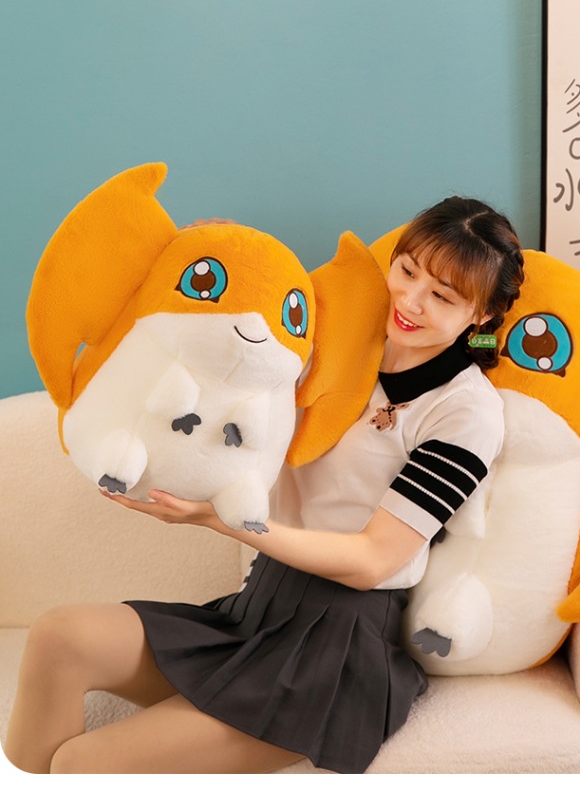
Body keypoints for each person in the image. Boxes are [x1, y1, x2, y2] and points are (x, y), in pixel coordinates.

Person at [3, 196, 524, 775]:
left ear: (481, 316)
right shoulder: (330, 336)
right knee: (58, 637)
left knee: (83, 765)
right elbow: (250, 308)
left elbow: (373, 560)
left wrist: (219, 518)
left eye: (442, 296)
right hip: (256, 608)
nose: (410, 300)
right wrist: (218, 252)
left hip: (335, 647)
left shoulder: (465, 412)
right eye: (406, 271)